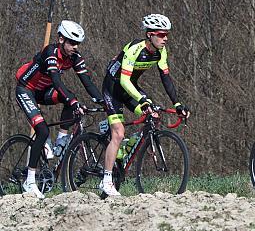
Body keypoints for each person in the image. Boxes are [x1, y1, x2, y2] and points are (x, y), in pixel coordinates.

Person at [100, 14, 191, 197]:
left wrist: (178, 104)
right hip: (113, 88)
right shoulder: (135, 49)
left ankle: (127, 146)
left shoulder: (160, 51)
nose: (165, 38)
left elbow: (166, 79)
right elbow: (124, 80)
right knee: (118, 132)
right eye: (161, 34)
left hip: (130, 87)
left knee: (154, 116)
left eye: (167, 35)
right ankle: (107, 179)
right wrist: (142, 100)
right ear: (150, 34)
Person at [14, 20, 103, 198]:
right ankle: (29, 181)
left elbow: (87, 82)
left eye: (77, 43)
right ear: (61, 39)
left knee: (71, 97)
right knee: (42, 130)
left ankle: (61, 140)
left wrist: (103, 101)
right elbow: (56, 80)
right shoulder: (50, 52)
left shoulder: (75, 58)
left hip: (44, 92)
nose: (75, 47)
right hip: (26, 89)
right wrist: (72, 101)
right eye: (71, 42)